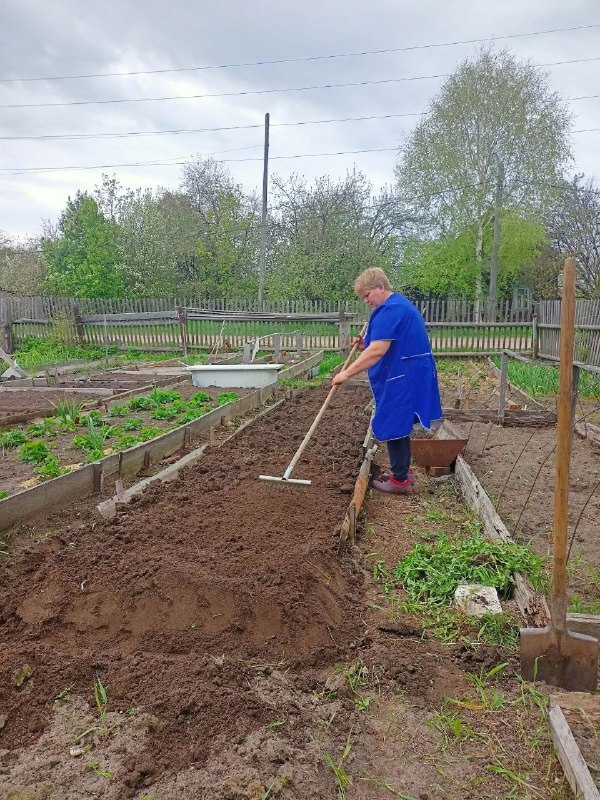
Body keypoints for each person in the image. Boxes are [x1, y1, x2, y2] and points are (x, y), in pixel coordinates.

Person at [332, 267, 442, 495]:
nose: (366, 301)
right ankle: (402, 471)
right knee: (399, 423)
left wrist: (346, 373)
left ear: (380, 287)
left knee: (393, 421)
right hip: (409, 371)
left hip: (405, 375)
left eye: (367, 295)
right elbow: (387, 342)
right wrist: (365, 344)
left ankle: (400, 481)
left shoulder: (390, 310)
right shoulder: (399, 305)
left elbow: (377, 351)